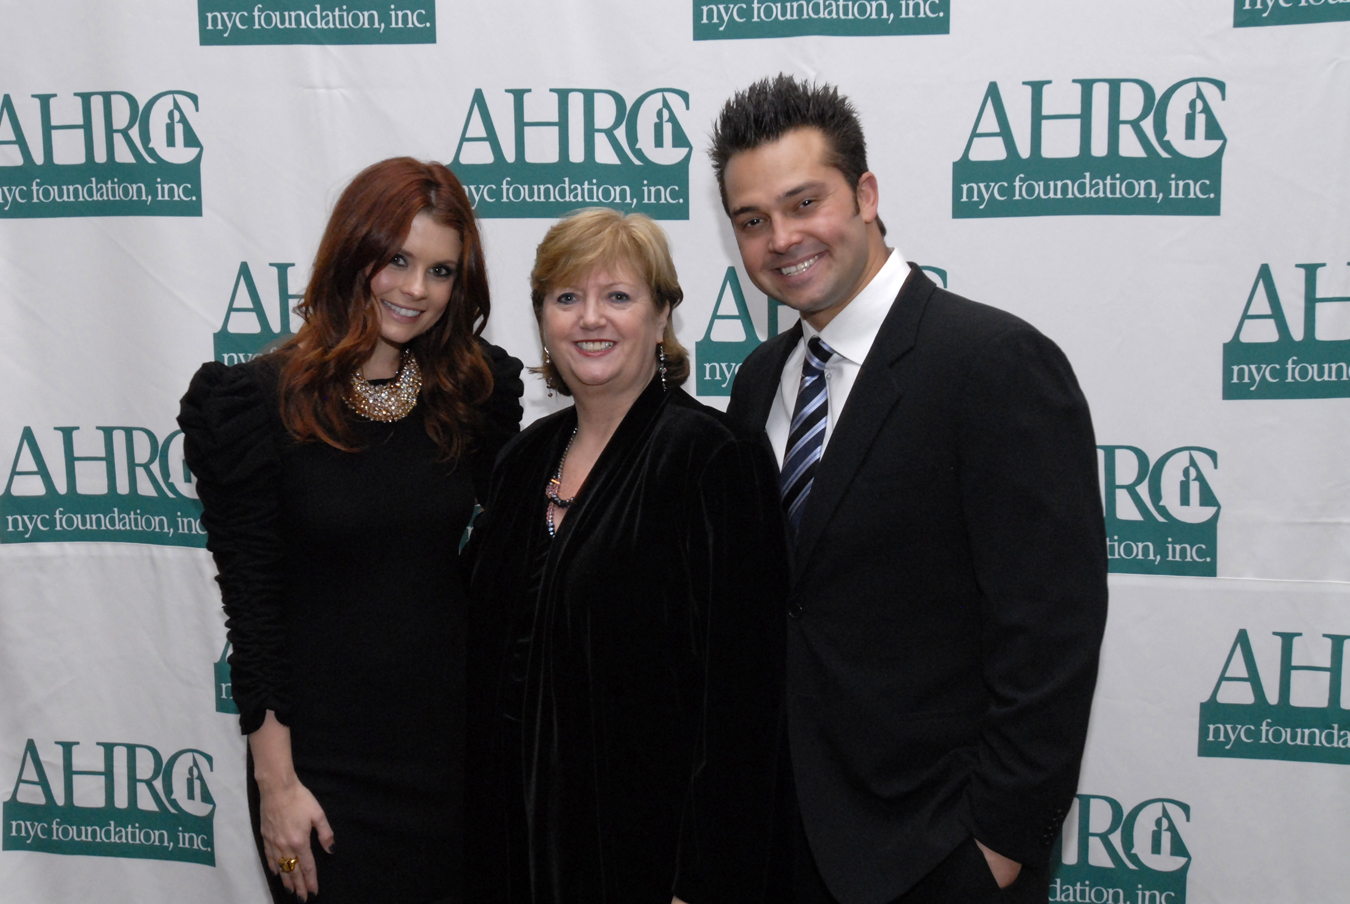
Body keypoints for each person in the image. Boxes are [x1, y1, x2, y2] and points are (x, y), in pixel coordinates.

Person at [711, 75, 1109, 904]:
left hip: (935, 855)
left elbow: (1050, 634)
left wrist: (996, 847)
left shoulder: (994, 364)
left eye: (802, 202)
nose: (781, 238)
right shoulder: (757, 382)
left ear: (865, 195)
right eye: (752, 221)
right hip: (779, 845)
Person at [178, 157, 524, 904]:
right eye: (396, 259)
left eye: (440, 272)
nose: (415, 290)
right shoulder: (253, 406)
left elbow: (514, 559)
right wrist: (277, 787)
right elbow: (254, 610)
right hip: (325, 774)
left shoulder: (472, 394)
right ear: (352, 251)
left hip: (454, 757)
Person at [463, 207, 791, 904]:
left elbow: (740, 706)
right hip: (512, 854)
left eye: (618, 296)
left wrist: (700, 883)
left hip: (645, 861)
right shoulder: (522, 461)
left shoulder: (713, 459)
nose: (590, 319)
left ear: (662, 314)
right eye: (566, 298)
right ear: (543, 318)